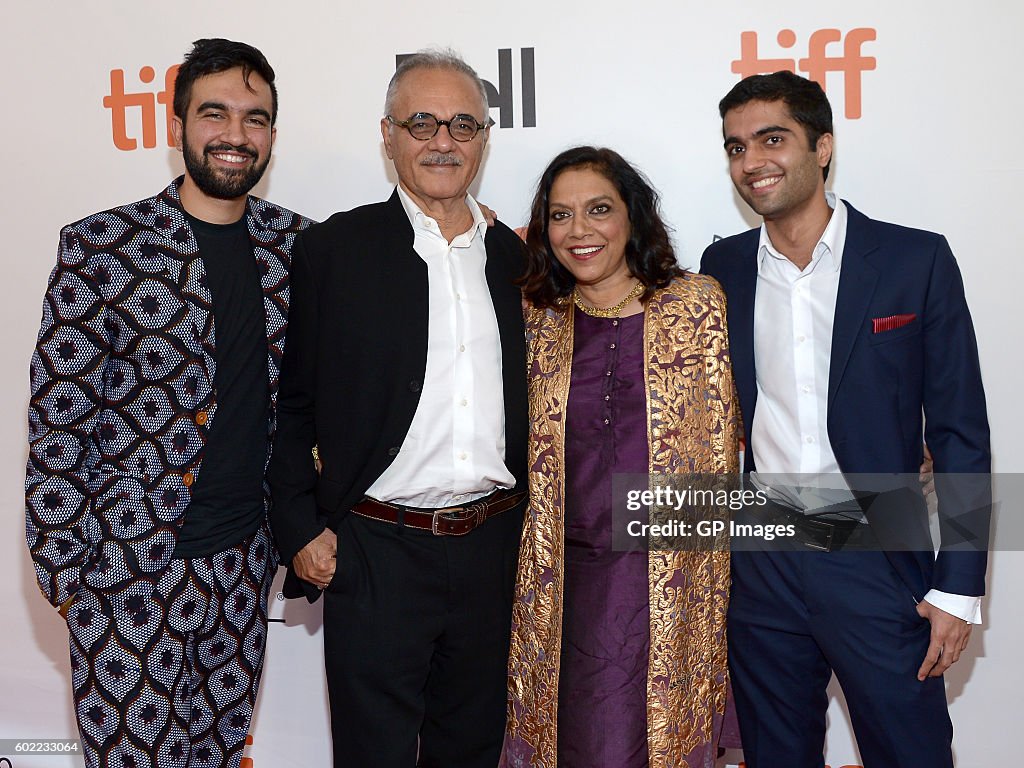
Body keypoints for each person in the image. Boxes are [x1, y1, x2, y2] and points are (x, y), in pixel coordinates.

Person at [25, 39, 310, 768]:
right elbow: (59, 425)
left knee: (218, 756)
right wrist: (72, 579)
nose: (235, 135)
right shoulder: (103, 247)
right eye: (214, 113)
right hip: (126, 571)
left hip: (245, 568)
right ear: (176, 122)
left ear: (273, 134)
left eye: (255, 118)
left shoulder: (300, 249)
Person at [700, 71, 991, 767]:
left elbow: (959, 433)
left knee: (910, 753)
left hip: (876, 551)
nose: (752, 162)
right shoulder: (722, 267)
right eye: (736, 146)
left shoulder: (914, 260)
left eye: (773, 139)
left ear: (823, 147)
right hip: (762, 558)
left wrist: (959, 586)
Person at [267, 50, 527, 768]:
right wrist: (301, 526)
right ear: (388, 135)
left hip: (491, 549)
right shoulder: (334, 250)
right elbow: (294, 404)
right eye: (422, 122)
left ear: (484, 138)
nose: (443, 141)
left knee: (471, 749)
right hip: (374, 553)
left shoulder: (517, 259)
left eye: (463, 124)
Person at [502, 146, 739, 767]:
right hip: (560, 578)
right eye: (560, 216)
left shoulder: (698, 305)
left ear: (632, 216)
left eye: (598, 210)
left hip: (669, 580)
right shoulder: (535, 319)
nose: (579, 231)